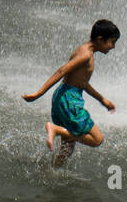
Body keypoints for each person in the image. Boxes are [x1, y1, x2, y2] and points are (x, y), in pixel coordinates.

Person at [23, 19, 120, 167]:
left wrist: (102, 99)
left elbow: (82, 83)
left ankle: (50, 171)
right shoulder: (86, 55)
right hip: (69, 100)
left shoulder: (84, 49)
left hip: (61, 97)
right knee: (97, 139)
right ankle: (54, 129)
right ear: (100, 39)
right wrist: (39, 93)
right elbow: (62, 71)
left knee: (68, 147)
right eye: (112, 42)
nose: (113, 47)